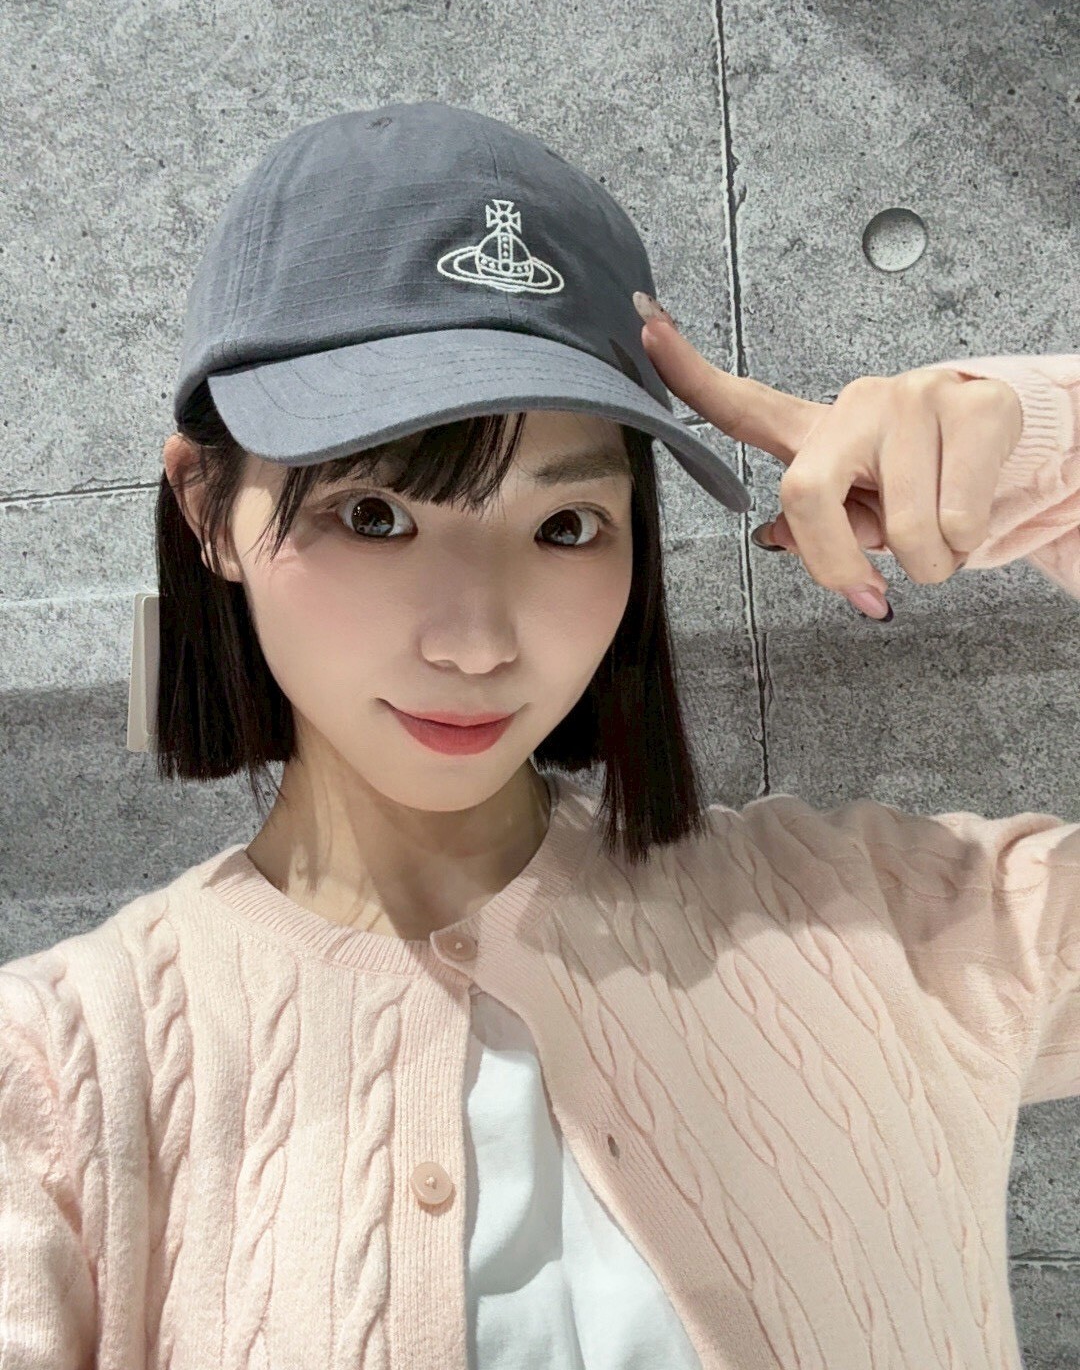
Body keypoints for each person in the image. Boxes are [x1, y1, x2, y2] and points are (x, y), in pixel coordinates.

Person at [0, 100, 1077, 1370]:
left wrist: (1046, 455)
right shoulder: (62, 1076)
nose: (477, 642)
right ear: (206, 508)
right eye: (375, 514)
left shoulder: (890, 926)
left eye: (566, 526)